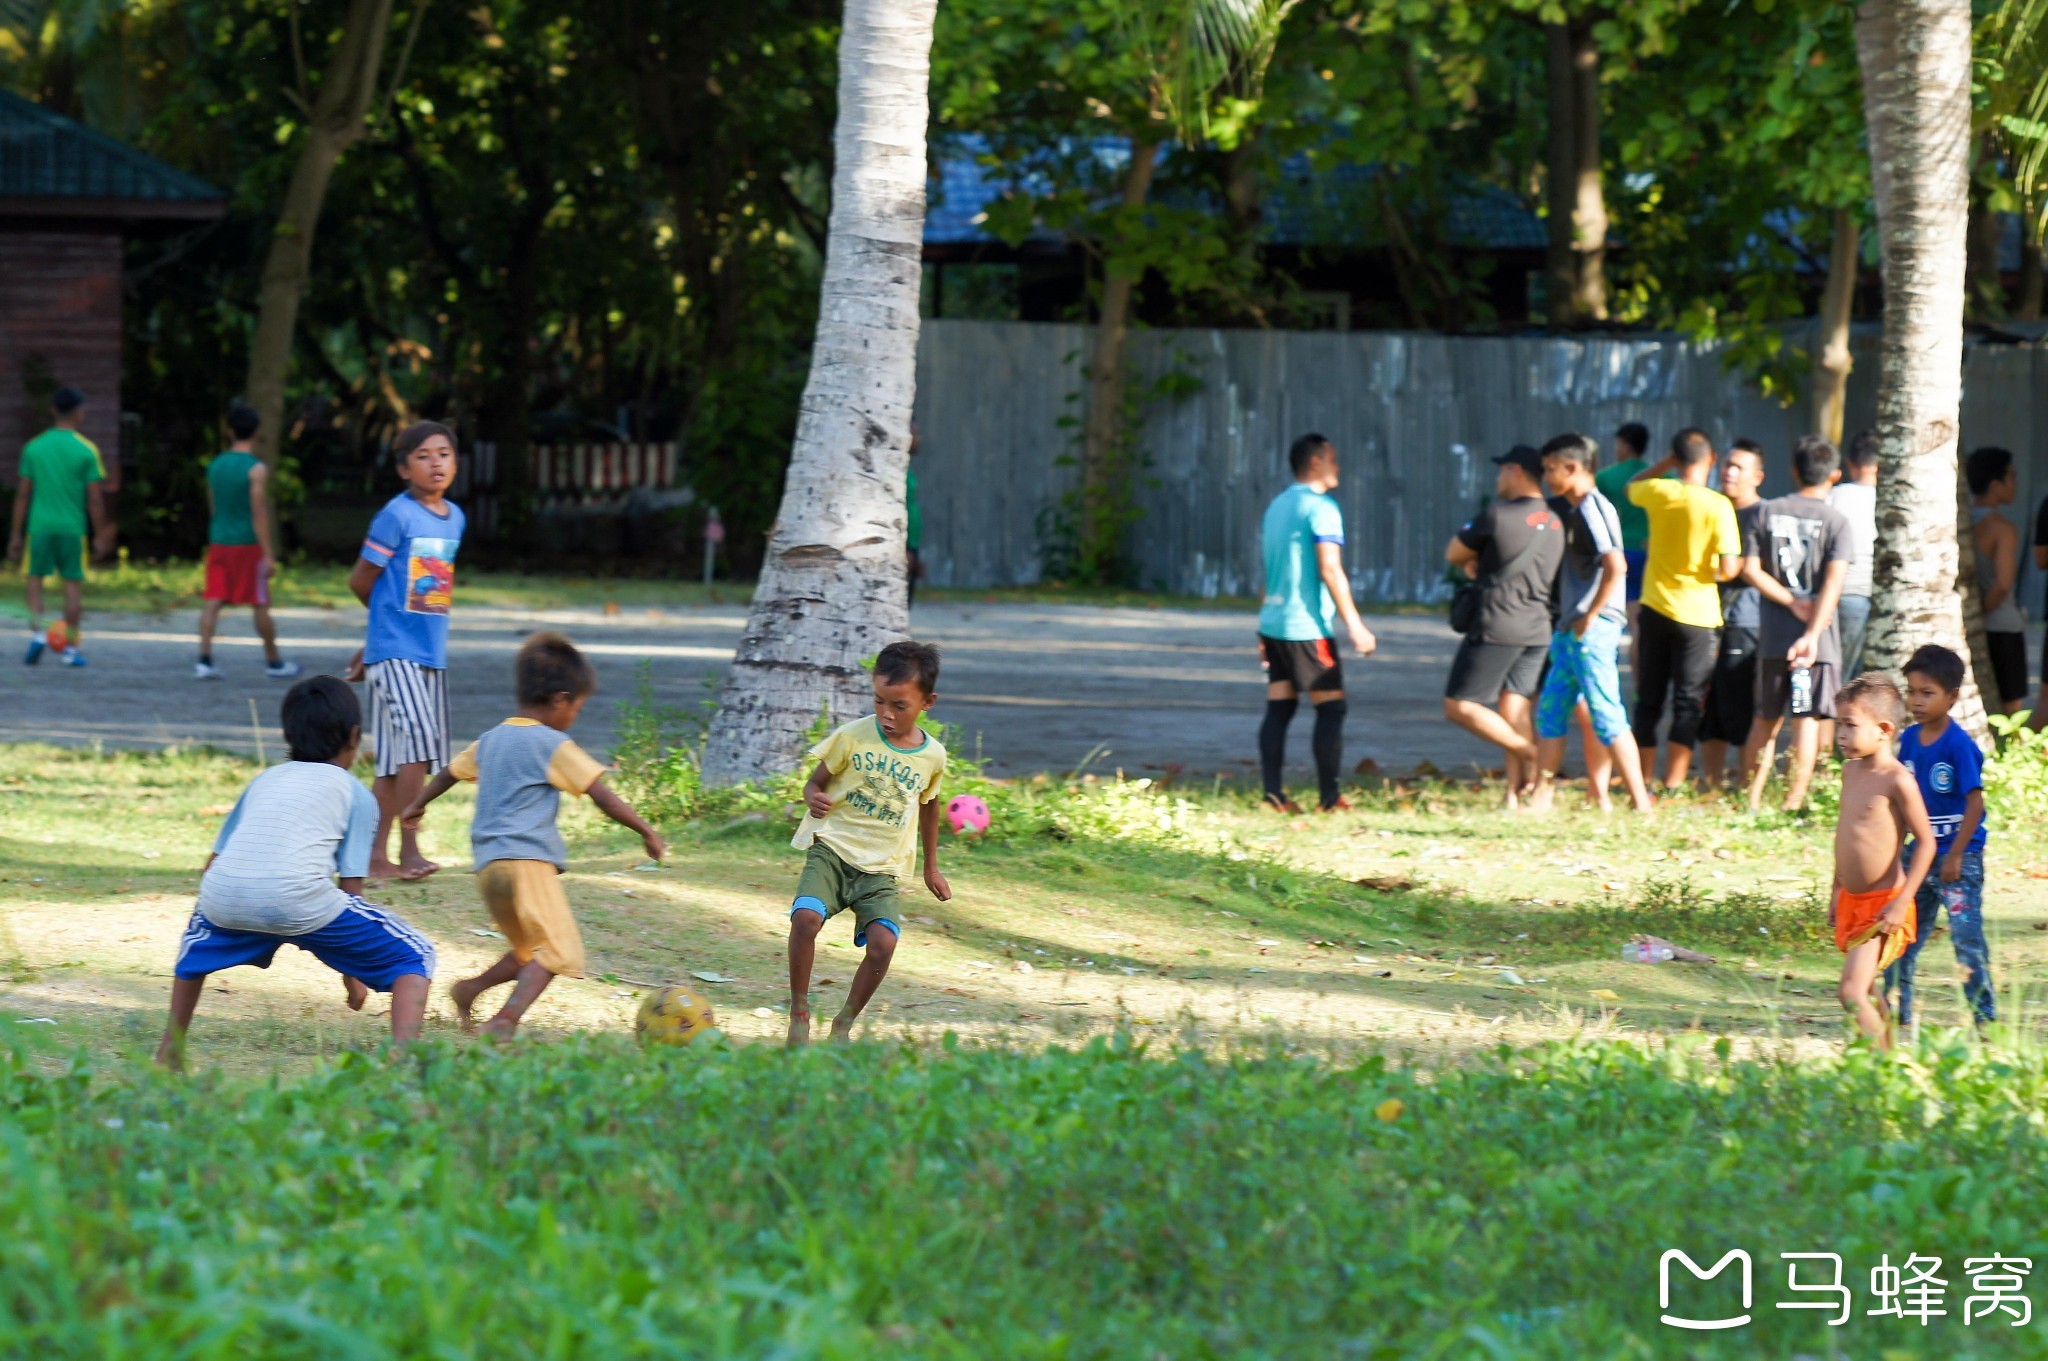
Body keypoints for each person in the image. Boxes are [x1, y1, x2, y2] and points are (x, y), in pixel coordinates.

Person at [155, 676, 436, 1069]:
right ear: (354, 736)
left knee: (195, 947)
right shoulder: (355, 792)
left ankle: (169, 1051)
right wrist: (353, 974)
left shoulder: (265, 779)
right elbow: (350, 890)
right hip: (299, 900)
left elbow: (213, 864)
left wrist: (215, 916)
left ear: (288, 733)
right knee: (416, 955)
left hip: (224, 895)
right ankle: (403, 1065)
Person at [403, 633, 666, 1038]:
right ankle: (505, 1021)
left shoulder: (491, 739)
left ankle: (469, 989)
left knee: (529, 952)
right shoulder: (553, 743)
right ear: (560, 700)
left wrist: (417, 804)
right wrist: (646, 831)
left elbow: (449, 773)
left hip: (489, 869)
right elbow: (603, 797)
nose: (575, 716)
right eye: (577, 707)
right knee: (561, 951)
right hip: (528, 863)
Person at [785, 640, 951, 1045]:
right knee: (805, 919)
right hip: (833, 851)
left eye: (899, 706)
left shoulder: (933, 757)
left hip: (881, 868)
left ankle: (843, 1022)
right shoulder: (853, 736)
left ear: (927, 702)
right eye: (879, 701)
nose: (886, 715)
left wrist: (931, 866)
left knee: (884, 943)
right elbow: (814, 782)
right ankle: (800, 1012)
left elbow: (930, 805)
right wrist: (813, 797)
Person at [348, 421, 465, 882]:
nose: (436, 462)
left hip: (430, 654)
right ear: (403, 468)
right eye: (423, 455)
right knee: (417, 741)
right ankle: (410, 847)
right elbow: (361, 581)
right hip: (395, 653)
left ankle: (376, 859)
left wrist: (377, 633)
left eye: (444, 454)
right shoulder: (395, 516)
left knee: (399, 761)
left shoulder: (455, 517)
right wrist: (380, 636)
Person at [1528, 432, 1655, 814]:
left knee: (1606, 713)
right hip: (1571, 629)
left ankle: (1640, 803)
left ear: (1572, 467)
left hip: (1593, 629)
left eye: (1551, 469)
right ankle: (1540, 796)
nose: (1547, 477)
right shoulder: (1570, 507)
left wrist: (1591, 615)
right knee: (1550, 711)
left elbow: (1616, 565)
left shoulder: (1593, 507)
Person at [1256, 433, 1376, 813]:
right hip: (1305, 627)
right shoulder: (1321, 507)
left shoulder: (1277, 506)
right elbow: (1329, 567)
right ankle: (1329, 798)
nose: (1338, 467)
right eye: (1333, 460)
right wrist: (1355, 624)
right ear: (1316, 463)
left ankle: (1273, 795)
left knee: (1280, 708)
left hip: (1273, 622)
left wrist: (1262, 622)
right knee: (1331, 708)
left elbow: (1271, 569)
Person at [1883, 645, 1999, 1033]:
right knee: (1901, 937)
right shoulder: (1910, 740)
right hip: (1918, 857)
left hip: (1958, 860)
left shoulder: (1959, 745)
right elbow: (1903, 800)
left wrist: (1956, 855)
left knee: (1966, 939)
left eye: (1927, 693)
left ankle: (1985, 1020)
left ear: (1952, 697)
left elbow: (1975, 803)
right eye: (1912, 691)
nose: (1916, 701)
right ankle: (1897, 1012)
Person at [1442, 444, 1562, 808]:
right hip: (1538, 629)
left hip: (1498, 625)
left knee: (1459, 705)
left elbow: (1454, 553)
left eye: (1502, 470)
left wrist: (1474, 563)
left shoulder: (1496, 515)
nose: (1498, 478)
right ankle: (1515, 794)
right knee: (1514, 710)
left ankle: (1528, 752)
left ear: (1516, 471)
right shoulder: (1556, 521)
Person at [1740, 436, 1852, 813]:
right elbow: (1833, 584)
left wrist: (1790, 601)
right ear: (1834, 475)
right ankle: (1793, 802)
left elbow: (1750, 570)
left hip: (1773, 638)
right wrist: (1812, 633)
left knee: (1765, 719)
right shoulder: (1836, 521)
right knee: (1806, 719)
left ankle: (1751, 799)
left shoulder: (1765, 511)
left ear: (1793, 469)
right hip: (1817, 645)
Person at [1626, 428, 1742, 789]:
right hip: (1699, 614)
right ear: (1710, 460)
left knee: (1649, 697)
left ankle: (1642, 780)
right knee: (1688, 701)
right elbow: (1730, 567)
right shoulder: (1717, 504)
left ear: (1676, 460)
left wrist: (1667, 463)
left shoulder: (1660, 491)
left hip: (1655, 607)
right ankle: (1673, 783)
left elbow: (1633, 485)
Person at [1829, 672, 1935, 1049]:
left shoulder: (1897, 780)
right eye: (1838, 724)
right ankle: (1890, 1059)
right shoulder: (1849, 771)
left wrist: (1902, 901)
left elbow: (1926, 843)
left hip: (1883, 905)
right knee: (1869, 990)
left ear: (1884, 729)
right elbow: (1845, 835)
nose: (1840, 734)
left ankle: (1879, 1070)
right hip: (1852, 903)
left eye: (1850, 725)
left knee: (1851, 992)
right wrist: (1836, 890)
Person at [8, 386, 113, 667]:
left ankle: (40, 633)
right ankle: (69, 650)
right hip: (72, 529)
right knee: (72, 588)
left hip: (40, 526)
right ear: (80, 412)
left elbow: (22, 495)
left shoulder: (34, 447)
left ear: (53, 410)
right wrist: (100, 534)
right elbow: (94, 499)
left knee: (34, 581)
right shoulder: (86, 450)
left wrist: (16, 534)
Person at [196, 403, 301, 681]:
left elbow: (213, 506)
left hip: (219, 541)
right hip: (247, 545)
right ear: (256, 432)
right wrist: (267, 554)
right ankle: (273, 661)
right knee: (260, 603)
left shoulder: (215, 466)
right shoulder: (256, 469)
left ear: (229, 431)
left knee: (213, 600)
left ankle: (204, 660)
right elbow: (258, 511)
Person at [1697, 440, 1767, 791]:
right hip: (1703, 618)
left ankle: (1744, 786)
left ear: (1758, 476)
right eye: (1726, 464)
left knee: (1741, 706)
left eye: (1739, 467)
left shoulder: (1764, 515)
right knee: (1707, 704)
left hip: (1746, 622)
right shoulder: (1708, 506)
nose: (1729, 472)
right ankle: (1709, 784)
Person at [1966, 446, 2028, 715]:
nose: (2015, 483)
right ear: (1995, 484)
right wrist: (1980, 615)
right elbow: (2003, 584)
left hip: (1970, 623)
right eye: (2011, 476)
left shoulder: (1960, 520)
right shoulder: (2002, 529)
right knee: (2011, 705)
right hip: (2002, 625)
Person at [1828, 430, 1878, 678]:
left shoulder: (1835, 496)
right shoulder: (1891, 498)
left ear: (1850, 463)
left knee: (1840, 675)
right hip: (1881, 597)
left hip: (1843, 593)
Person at [906, 424, 924, 604]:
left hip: (912, 544)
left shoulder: (908, 470)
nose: (919, 438)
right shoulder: (898, 473)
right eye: (915, 433)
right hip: (904, 546)